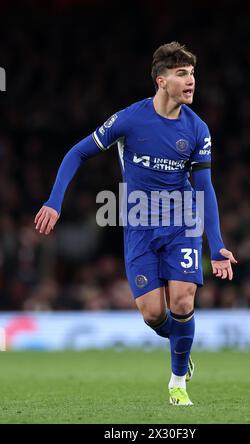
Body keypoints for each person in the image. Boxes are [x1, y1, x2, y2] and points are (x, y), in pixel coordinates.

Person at [34, 42, 237, 406]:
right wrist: (54, 200)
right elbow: (77, 151)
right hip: (139, 224)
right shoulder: (130, 119)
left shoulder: (198, 130)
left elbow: (205, 187)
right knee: (153, 313)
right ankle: (182, 347)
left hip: (182, 222)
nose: (191, 81)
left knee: (182, 299)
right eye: (181, 74)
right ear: (161, 80)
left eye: (192, 73)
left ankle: (177, 382)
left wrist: (217, 245)